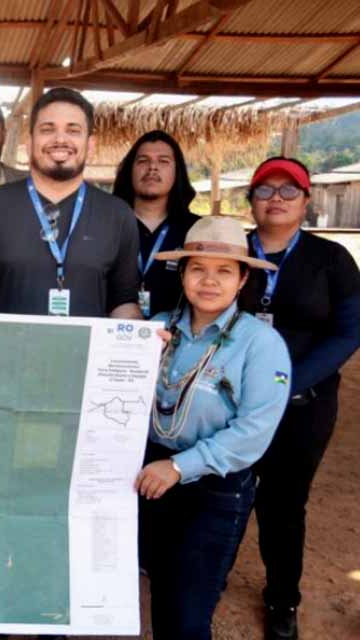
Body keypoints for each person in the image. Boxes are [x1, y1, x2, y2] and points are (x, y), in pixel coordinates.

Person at [137, 215, 292, 640]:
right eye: (198, 269)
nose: (209, 281)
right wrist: (135, 354)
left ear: (242, 280)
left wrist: (179, 467)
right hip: (152, 478)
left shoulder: (260, 344)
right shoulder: (157, 330)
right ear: (182, 275)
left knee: (189, 614)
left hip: (213, 489)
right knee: (162, 594)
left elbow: (254, 431)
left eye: (224, 271)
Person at [237, 157, 360, 640]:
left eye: (289, 190)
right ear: (251, 200)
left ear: (306, 200)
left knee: (283, 503)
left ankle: (282, 598)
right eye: (265, 190)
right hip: (231, 401)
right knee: (222, 489)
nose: (276, 199)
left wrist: (287, 382)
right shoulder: (233, 249)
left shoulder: (331, 258)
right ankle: (210, 573)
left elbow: (349, 331)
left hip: (303, 404)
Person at [0, 87, 141, 318]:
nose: (60, 139)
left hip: (85, 344)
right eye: (47, 129)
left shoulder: (118, 215)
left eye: (73, 130)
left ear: (90, 145)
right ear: (30, 143)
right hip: (6, 342)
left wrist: (143, 336)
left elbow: (123, 302)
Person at [113, 130, 200, 317]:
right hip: (112, 331)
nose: (152, 167)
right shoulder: (107, 224)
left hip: (176, 333)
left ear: (177, 172)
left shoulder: (196, 230)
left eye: (163, 161)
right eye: (143, 161)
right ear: (130, 170)